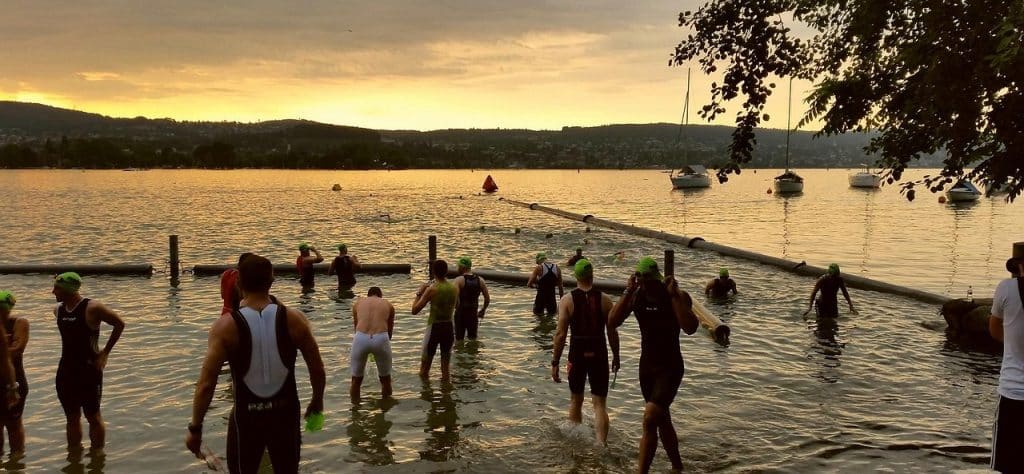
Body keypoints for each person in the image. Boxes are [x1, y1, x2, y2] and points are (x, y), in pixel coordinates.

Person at [186, 255, 326, 474]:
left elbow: (206, 383)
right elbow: (317, 368)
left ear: (239, 283)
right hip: (286, 414)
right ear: (272, 281)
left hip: (246, 418)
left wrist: (195, 428)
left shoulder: (225, 327)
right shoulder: (295, 320)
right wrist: (317, 401)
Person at [609, 257, 699, 473]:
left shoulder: (675, 296)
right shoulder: (636, 295)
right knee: (661, 419)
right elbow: (612, 322)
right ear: (640, 280)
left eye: (654, 280)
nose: (652, 285)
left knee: (650, 417)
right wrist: (627, 291)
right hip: (647, 367)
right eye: (646, 280)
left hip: (670, 367)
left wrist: (675, 296)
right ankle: (678, 467)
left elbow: (691, 327)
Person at [52, 272, 126, 452]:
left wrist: (105, 353)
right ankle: (74, 457)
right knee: (71, 418)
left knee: (92, 416)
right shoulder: (58, 310)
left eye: (57, 288)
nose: (53, 292)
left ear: (69, 289)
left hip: (89, 370)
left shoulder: (92, 307)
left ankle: (97, 458)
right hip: (66, 371)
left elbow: (119, 324)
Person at [551, 259, 619, 445]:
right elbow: (612, 332)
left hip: (577, 352)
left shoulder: (567, 300)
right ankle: (600, 445)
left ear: (576, 277)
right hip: (599, 351)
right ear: (592, 274)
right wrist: (616, 356)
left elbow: (560, 334)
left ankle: (575, 445)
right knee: (599, 403)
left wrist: (555, 361)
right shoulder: (605, 300)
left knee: (576, 400)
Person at [989, 241, 1024, 472]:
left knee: (1008, 464)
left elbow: (994, 328)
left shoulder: (1007, 289)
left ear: (1019, 265)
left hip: (1013, 390)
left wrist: (1012, 344)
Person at [412, 260, 459, 382]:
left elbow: (415, 310)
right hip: (449, 328)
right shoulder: (454, 288)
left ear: (433, 272)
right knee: (445, 370)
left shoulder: (432, 289)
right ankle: (446, 397)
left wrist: (419, 292)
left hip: (434, 328)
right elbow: (457, 305)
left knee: (424, 370)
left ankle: (427, 398)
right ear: (447, 271)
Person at [350, 287, 395, 401]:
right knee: (385, 380)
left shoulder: (358, 304)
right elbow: (389, 332)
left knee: (356, 380)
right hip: (381, 337)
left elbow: (356, 328)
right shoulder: (388, 305)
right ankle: (386, 409)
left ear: (368, 295)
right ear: (380, 295)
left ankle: (355, 411)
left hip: (361, 338)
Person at [0, 291, 27, 454]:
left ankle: (16, 463)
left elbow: (17, 350)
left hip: (15, 381)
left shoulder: (19, 322)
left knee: (14, 424)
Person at [453, 257, 490, 341]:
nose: (457, 268)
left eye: (458, 266)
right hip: (473, 314)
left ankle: (460, 354)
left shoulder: (458, 280)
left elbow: (455, 298)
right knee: (473, 339)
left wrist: (455, 308)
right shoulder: (480, 280)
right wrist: (483, 310)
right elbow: (487, 298)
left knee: (459, 340)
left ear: (462, 267)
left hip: (461, 314)